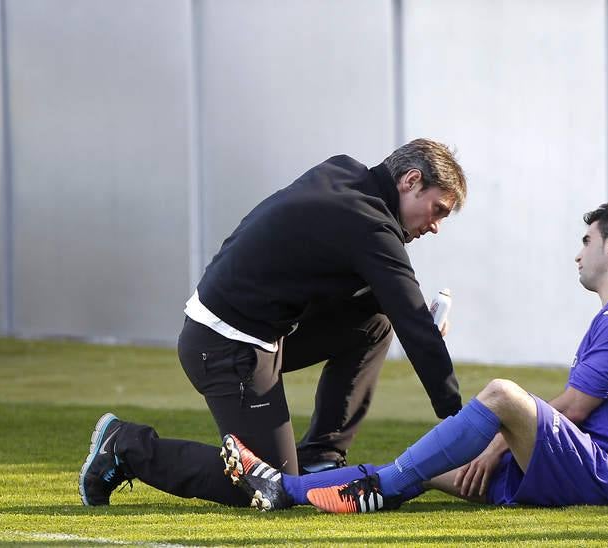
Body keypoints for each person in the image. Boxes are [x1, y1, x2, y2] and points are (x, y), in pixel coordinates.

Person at [78, 139, 468, 507]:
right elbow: (413, 321)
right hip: (223, 346)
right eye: (438, 211)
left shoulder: (344, 172)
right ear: (411, 180)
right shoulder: (371, 226)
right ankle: (126, 446)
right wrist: (462, 426)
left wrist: (410, 316)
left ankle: (321, 456)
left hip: (251, 332)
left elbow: (353, 283)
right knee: (275, 487)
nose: (435, 226)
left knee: (377, 321)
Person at [216, 201, 608, 512]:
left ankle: (381, 488)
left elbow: (574, 407)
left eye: (587, 241)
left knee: (502, 394)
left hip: (602, 477)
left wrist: (497, 446)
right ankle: (285, 489)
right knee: (426, 467)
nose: (578, 254)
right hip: (580, 469)